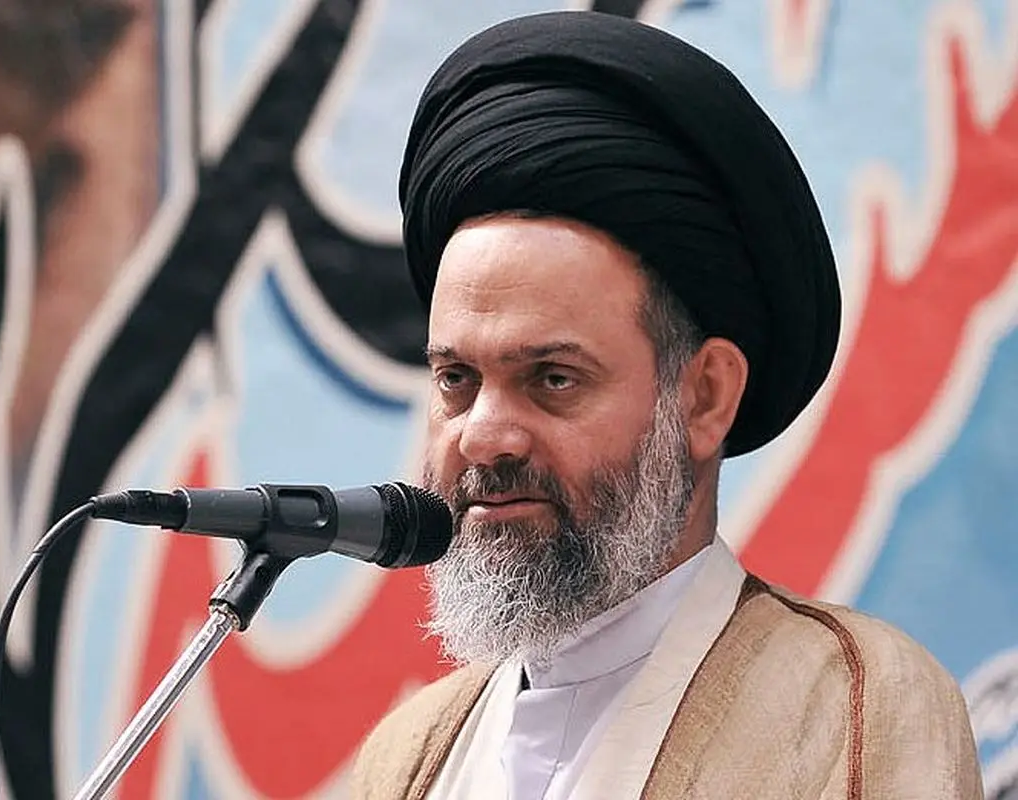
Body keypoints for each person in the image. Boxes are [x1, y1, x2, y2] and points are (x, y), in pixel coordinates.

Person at [350, 11, 983, 800]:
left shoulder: (857, 711)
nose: (483, 437)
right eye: (456, 379)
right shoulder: (409, 757)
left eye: (553, 378)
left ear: (705, 396)